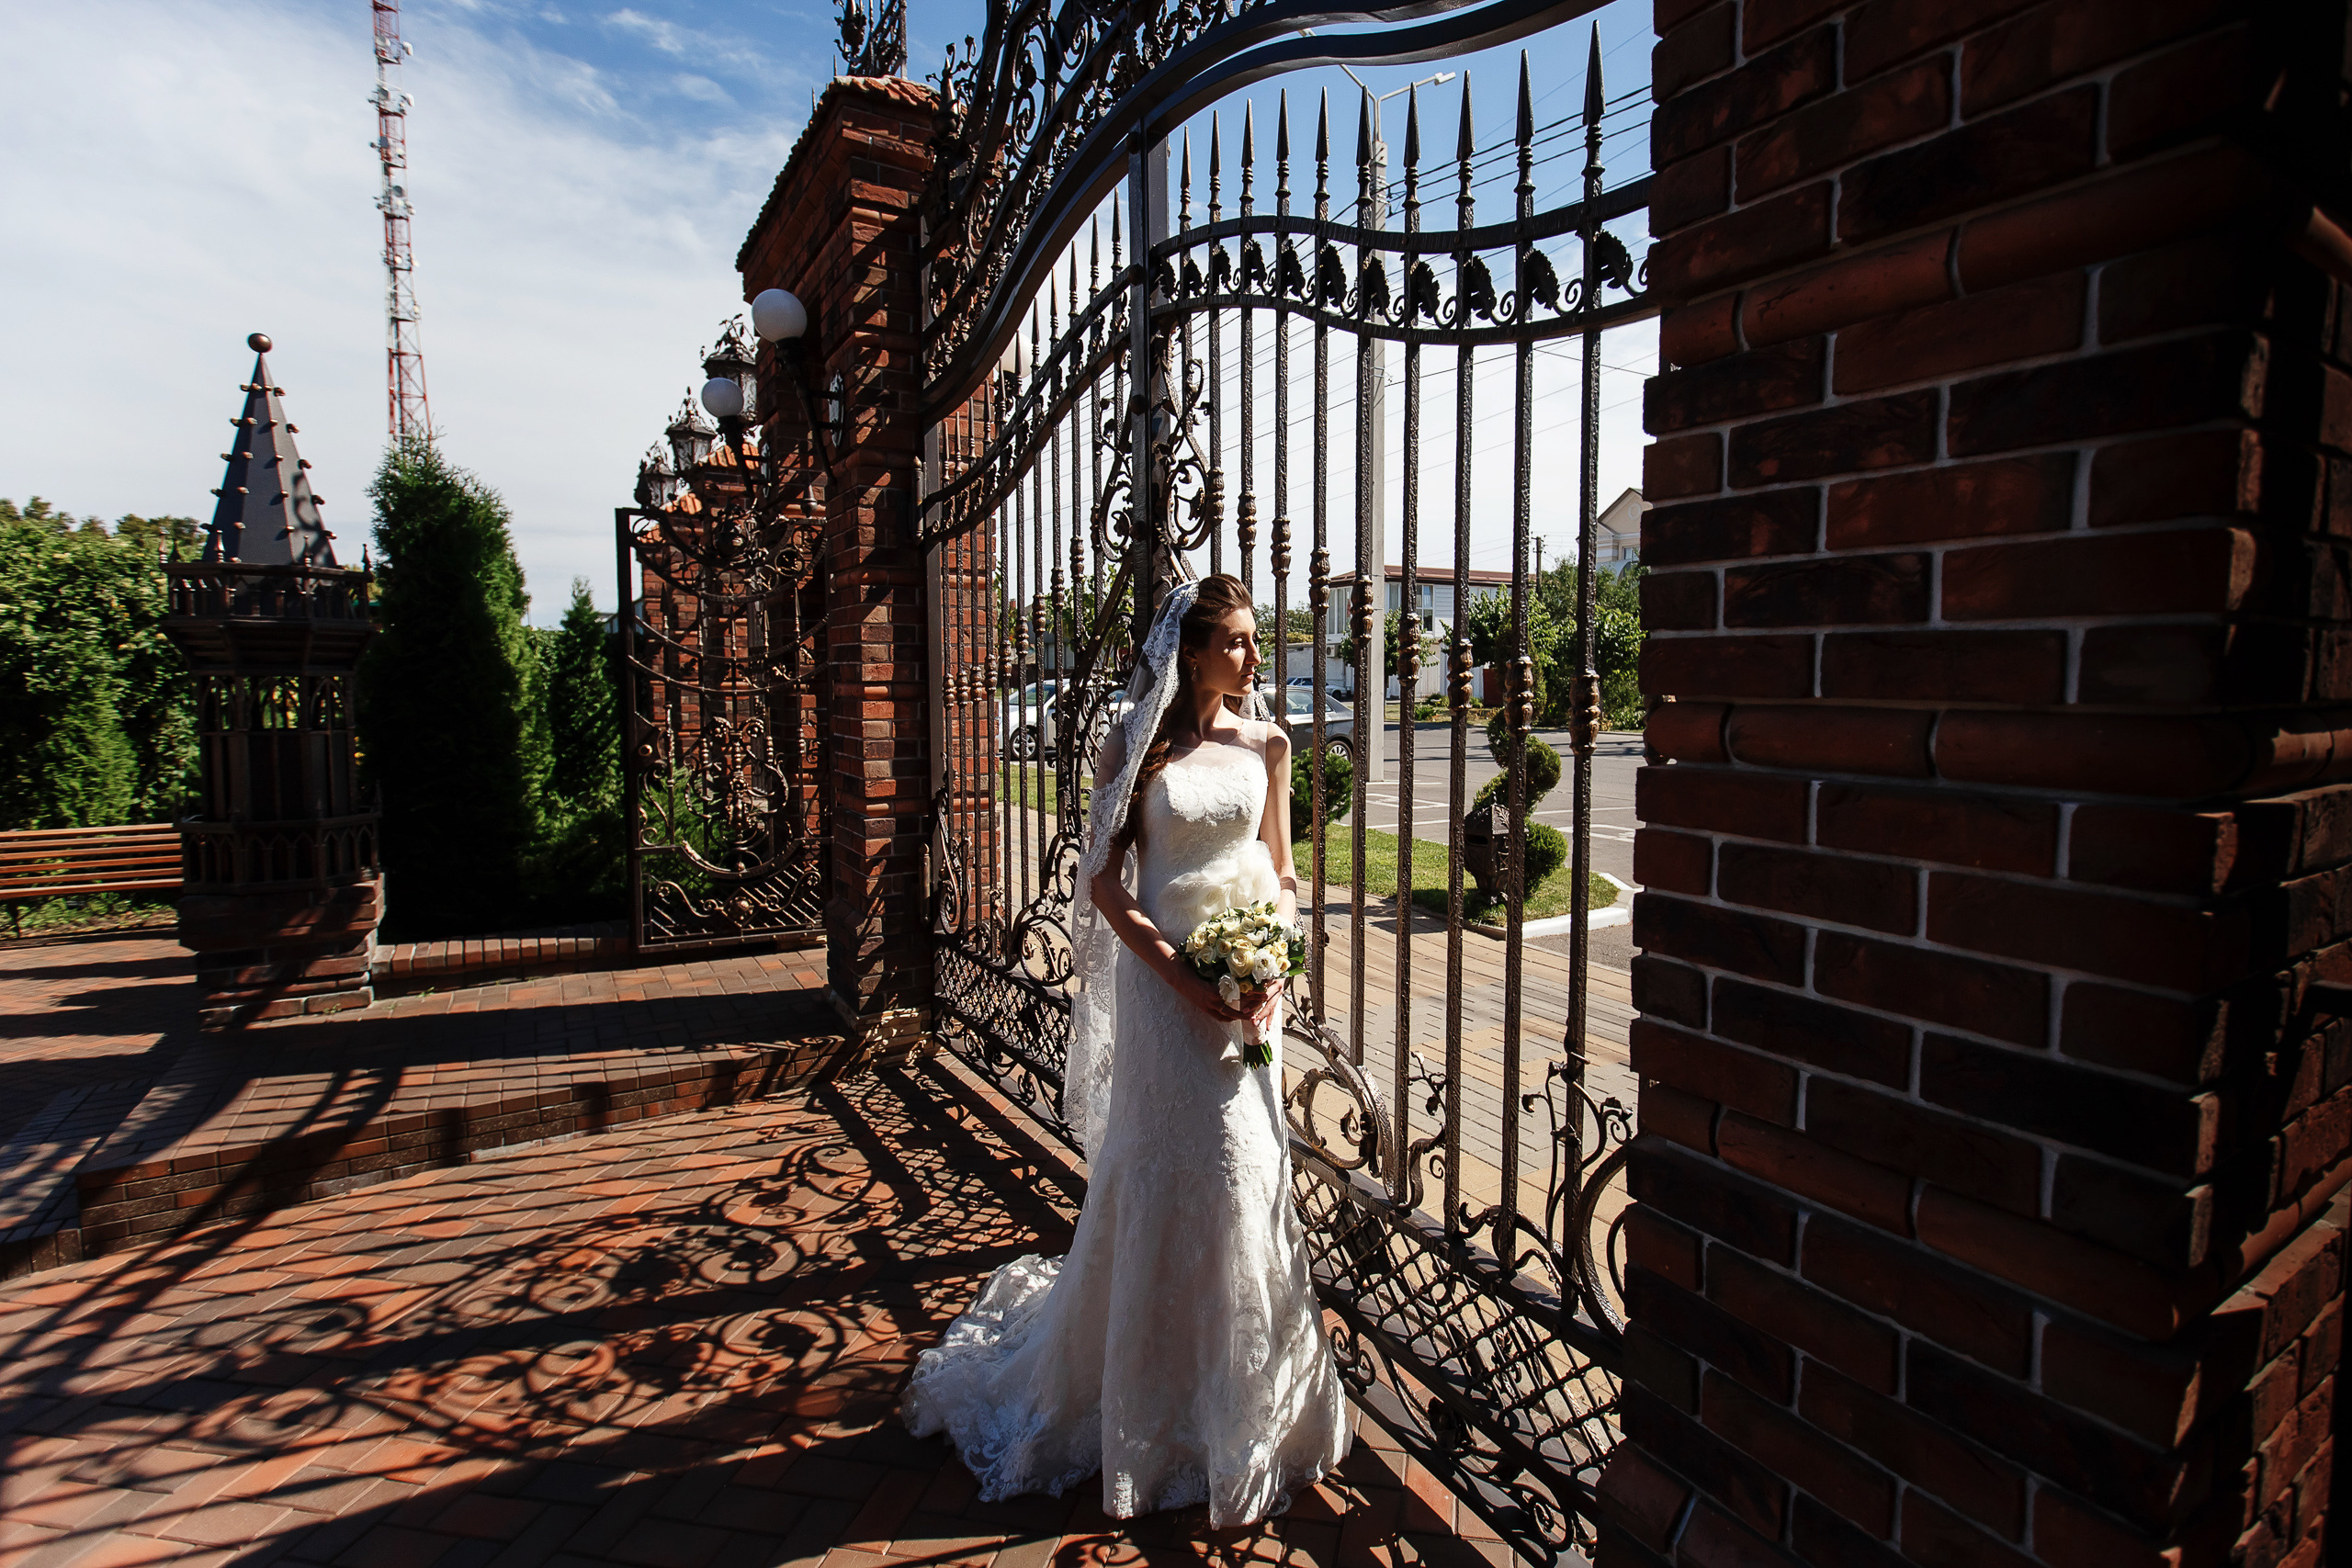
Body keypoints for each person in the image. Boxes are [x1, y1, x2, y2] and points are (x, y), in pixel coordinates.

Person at [901, 573, 1351, 1526]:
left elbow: (1281, 871)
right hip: (1165, 998)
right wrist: (1186, 979)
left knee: (1246, 1172)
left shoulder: (1268, 745)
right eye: (1235, 641)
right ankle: (1146, 1401)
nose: (1252, 657)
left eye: (1254, 639)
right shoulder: (1131, 745)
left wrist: (1270, 966)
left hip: (1245, 1004)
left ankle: (1242, 1408)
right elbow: (1104, 884)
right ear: (1190, 651)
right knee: (1164, 1169)